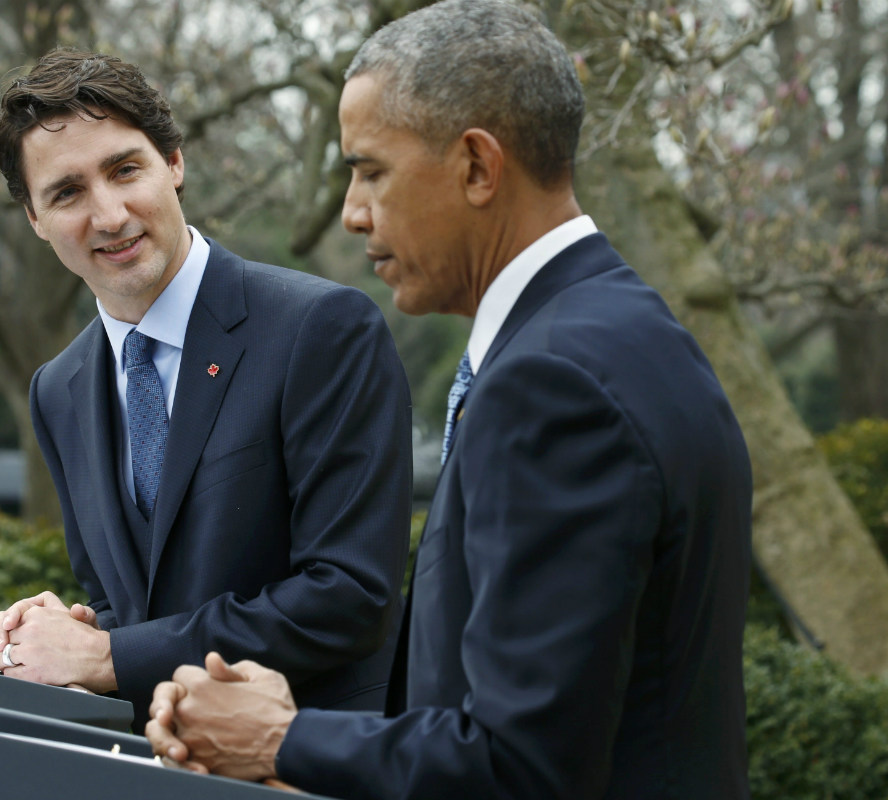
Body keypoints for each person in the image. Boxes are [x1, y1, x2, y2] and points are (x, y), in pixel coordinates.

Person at [145, 1, 753, 797]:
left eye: (370, 170)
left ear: (476, 166)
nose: (353, 212)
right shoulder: (624, 328)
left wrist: (280, 742)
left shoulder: (550, 385)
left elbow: (517, 766)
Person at [0, 49, 412, 725]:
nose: (111, 213)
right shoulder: (57, 391)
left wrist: (108, 657)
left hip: (315, 765)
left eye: (126, 170)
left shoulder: (319, 330)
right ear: (34, 219)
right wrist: (67, 636)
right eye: (67, 193)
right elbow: (131, 607)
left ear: (174, 164)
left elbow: (348, 597)